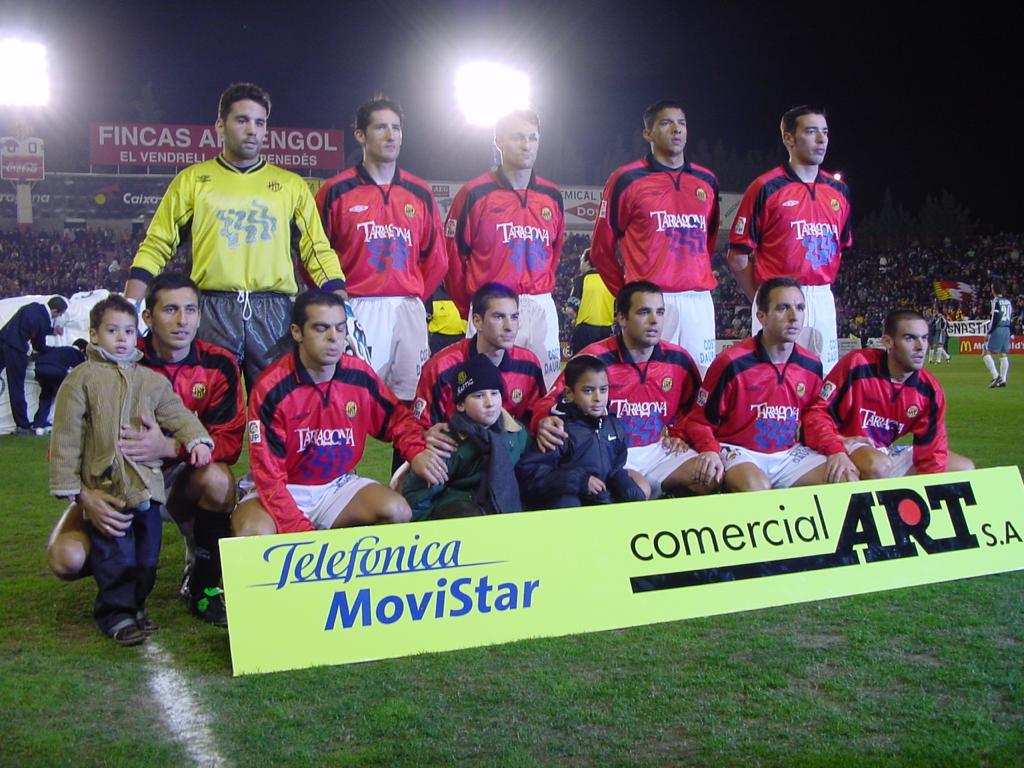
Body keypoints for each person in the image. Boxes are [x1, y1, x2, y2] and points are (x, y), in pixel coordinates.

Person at [47, 274, 245, 627]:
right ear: (148, 318)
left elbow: (228, 441)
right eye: (170, 309)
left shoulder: (220, 364)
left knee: (219, 479)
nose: (183, 321)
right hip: (113, 482)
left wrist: (170, 446)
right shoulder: (114, 360)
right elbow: (63, 446)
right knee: (67, 558)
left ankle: (201, 585)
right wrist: (85, 497)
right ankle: (118, 572)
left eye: (190, 310)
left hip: (182, 481)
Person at [124, 82, 346, 389]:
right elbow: (158, 243)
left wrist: (341, 301)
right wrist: (130, 304)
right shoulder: (192, 181)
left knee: (278, 407)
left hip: (274, 311)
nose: (252, 130)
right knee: (207, 406)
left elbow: (316, 248)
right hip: (212, 308)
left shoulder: (290, 185)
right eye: (242, 120)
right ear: (220, 125)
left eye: (260, 122)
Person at [232, 290, 448, 535]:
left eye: (340, 328)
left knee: (398, 511)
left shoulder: (359, 375)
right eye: (321, 328)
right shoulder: (271, 389)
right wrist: (301, 531)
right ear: (297, 332)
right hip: (282, 488)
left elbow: (396, 419)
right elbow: (270, 478)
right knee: (253, 531)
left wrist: (417, 451)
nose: (334, 337)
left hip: (336, 487)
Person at [316, 96, 447, 401]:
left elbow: (437, 259)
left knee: (412, 405)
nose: (391, 136)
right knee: (350, 402)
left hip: (408, 308)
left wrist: (410, 294)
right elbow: (313, 255)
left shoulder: (420, 192)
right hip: (356, 308)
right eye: (381, 128)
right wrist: (337, 303)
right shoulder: (335, 191)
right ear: (360, 134)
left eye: (396, 128)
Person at [531, 281, 709, 499]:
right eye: (644, 312)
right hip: (611, 452)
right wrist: (542, 419)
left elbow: (696, 410)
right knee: (638, 490)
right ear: (622, 318)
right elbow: (550, 399)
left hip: (658, 450)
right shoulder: (595, 358)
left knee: (708, 477)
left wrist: (679, 433)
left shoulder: (678, 359)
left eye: (660, 312)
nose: (655, 321)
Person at [683, 277, 858, 492]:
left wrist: (834, 449)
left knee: (846, 476)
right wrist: (709, 449)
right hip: (739, 451)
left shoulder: (811, 365)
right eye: (783, 308)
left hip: (787, 454)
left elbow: (815, 417)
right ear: (761, 317)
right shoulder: (731, 363)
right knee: (756, 486)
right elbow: (699, 421)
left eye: (800, 307)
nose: (794, 317)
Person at [590, 99, 720, 373]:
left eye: (682, 123)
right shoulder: (626, 179)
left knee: (702, 379)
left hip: (698, 301)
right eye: (666, 123)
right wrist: (630, 296)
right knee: (650, 381)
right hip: (651, 301)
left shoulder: (706, 181)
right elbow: (601, 250)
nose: (676, 129)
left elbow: (707, 242)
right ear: (648, 134)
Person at [444, 109, 565, 387]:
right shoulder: (474, 193)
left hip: (540, 303)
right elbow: (452, 259)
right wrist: (473, 307)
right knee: (484, 393)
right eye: (517, 137)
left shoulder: (551, 195)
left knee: (544, 392)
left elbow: (554, 253)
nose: (526, 145)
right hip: (492, 305)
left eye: (533, 138)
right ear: (498, 141)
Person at [726, 106, 851, 374]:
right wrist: (762, 297)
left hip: (821, 296)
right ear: (789, 139)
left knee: (824, 383)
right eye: (811, 131)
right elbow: (737, 257)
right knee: (770, 381)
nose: (821, 140)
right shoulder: (766, 187)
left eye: (825, 132)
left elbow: (839, 248)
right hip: (778, 298)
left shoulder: (839, 191)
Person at [804, 309, 975, 478]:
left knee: (963, 468)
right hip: (842, 443)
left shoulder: (929, 389)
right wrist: (834, 445)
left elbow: (933, 448)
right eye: (910, 338)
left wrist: (930, 486)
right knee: (878, 465)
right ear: (888, 342)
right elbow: (817, 414)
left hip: (881, 450)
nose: (920, 347)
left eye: (924, 338)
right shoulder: (858, 365)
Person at [413, 282, 546, 452]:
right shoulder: (441, 368)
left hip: (512, 465)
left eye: (514, 317)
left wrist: (543, 421)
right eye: (499, 317)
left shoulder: (528, 364)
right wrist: (424, 435)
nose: (509, 326)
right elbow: (418, 427)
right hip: (456, 467)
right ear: (477, 321)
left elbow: (536, 418)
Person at [403, 355, 528, 520]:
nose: (489, 402)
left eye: (494, 393)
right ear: (461, 405)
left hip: (502, 515)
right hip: (458, 518)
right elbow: (417, 497)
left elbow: (530, 472)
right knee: (467, 513)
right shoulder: (446, 443)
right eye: (479, 396)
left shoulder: (515, 433)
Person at [517, 355, 645, 508]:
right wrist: (579, 481)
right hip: (567, 504)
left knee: (635, 494)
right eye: (588, 391)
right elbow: (531, 475)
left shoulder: (613, 427)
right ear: (569, 394)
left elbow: (616, 468)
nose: (598, 398)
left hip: (600, 500)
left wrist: (624, 485)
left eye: (603, 390)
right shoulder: (557, 430)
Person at [0, 296, 67, 434]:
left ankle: (22, 424)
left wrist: (51, 331)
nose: (58, 317)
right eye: (59, 314)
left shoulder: (34, 307)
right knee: (17, 386)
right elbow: (39, 345)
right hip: (16, 349)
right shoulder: (44, 320)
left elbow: (31, 325)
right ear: (55, 310)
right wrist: (56, 351)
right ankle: (22, 425)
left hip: (3, 339)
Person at [31, 338, 87, 433]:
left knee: (46, 395)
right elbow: (82, 372)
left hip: (39, 367)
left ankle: (38, 424)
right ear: (83, 350)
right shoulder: (78, 354)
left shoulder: (60, 349)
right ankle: (65, 424)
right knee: (67, 395)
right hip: (55, 371)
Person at [567, 248, 614, 355]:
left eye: (581, 261)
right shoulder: (610, 281)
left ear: (587, 262)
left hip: (584, 332)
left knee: (580, 365)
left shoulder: (581, 279)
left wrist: (575, 318)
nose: (580, 264)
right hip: (606, 332)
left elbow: (570, 310)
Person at [983, 287, 1013, 387]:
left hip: (998, 328)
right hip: (1007, 328)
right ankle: (1003, 380)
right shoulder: (1008, 302)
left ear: (993, 291)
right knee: (1003, 354)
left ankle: (996, 377)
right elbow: (1010, 316)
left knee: (985, 352)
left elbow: (994, 319)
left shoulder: (995, 301)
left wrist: (989, 332)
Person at [427, 284, 467, 355]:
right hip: (438, 341)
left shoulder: (466, 289)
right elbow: (424, 320)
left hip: (462, 339)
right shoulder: (432, 290)